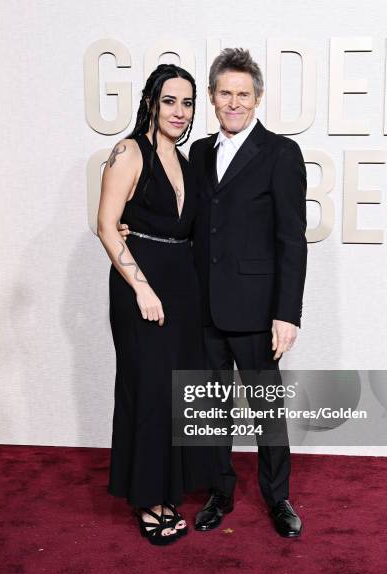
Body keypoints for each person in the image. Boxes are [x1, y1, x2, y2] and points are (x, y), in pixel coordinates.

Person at [120, 48, 308, 538]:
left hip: (256, 310)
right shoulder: (197, 153)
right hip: (200, 307)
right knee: (210, 407)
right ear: (212, 96)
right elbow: (178, 216)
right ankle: (219, 492)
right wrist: (129, 225)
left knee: (265, 407)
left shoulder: (281, 154)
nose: (234, 102)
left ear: (258, 97)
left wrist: (287, 314)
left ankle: (278, 497)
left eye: (243, 94)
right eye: (224, 92)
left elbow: (292, 239)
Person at [97, 64, 214, 545]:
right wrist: (142, 288)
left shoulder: (186, 164)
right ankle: (148, 499)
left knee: (172, 393)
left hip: (182, 288)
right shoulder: (129, 151)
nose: (179, 112)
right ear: (151, 101)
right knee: (146, 390)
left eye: (187, 103)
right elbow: (106, 225)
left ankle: (168, 489)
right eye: (170, 101)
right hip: (139, 286)